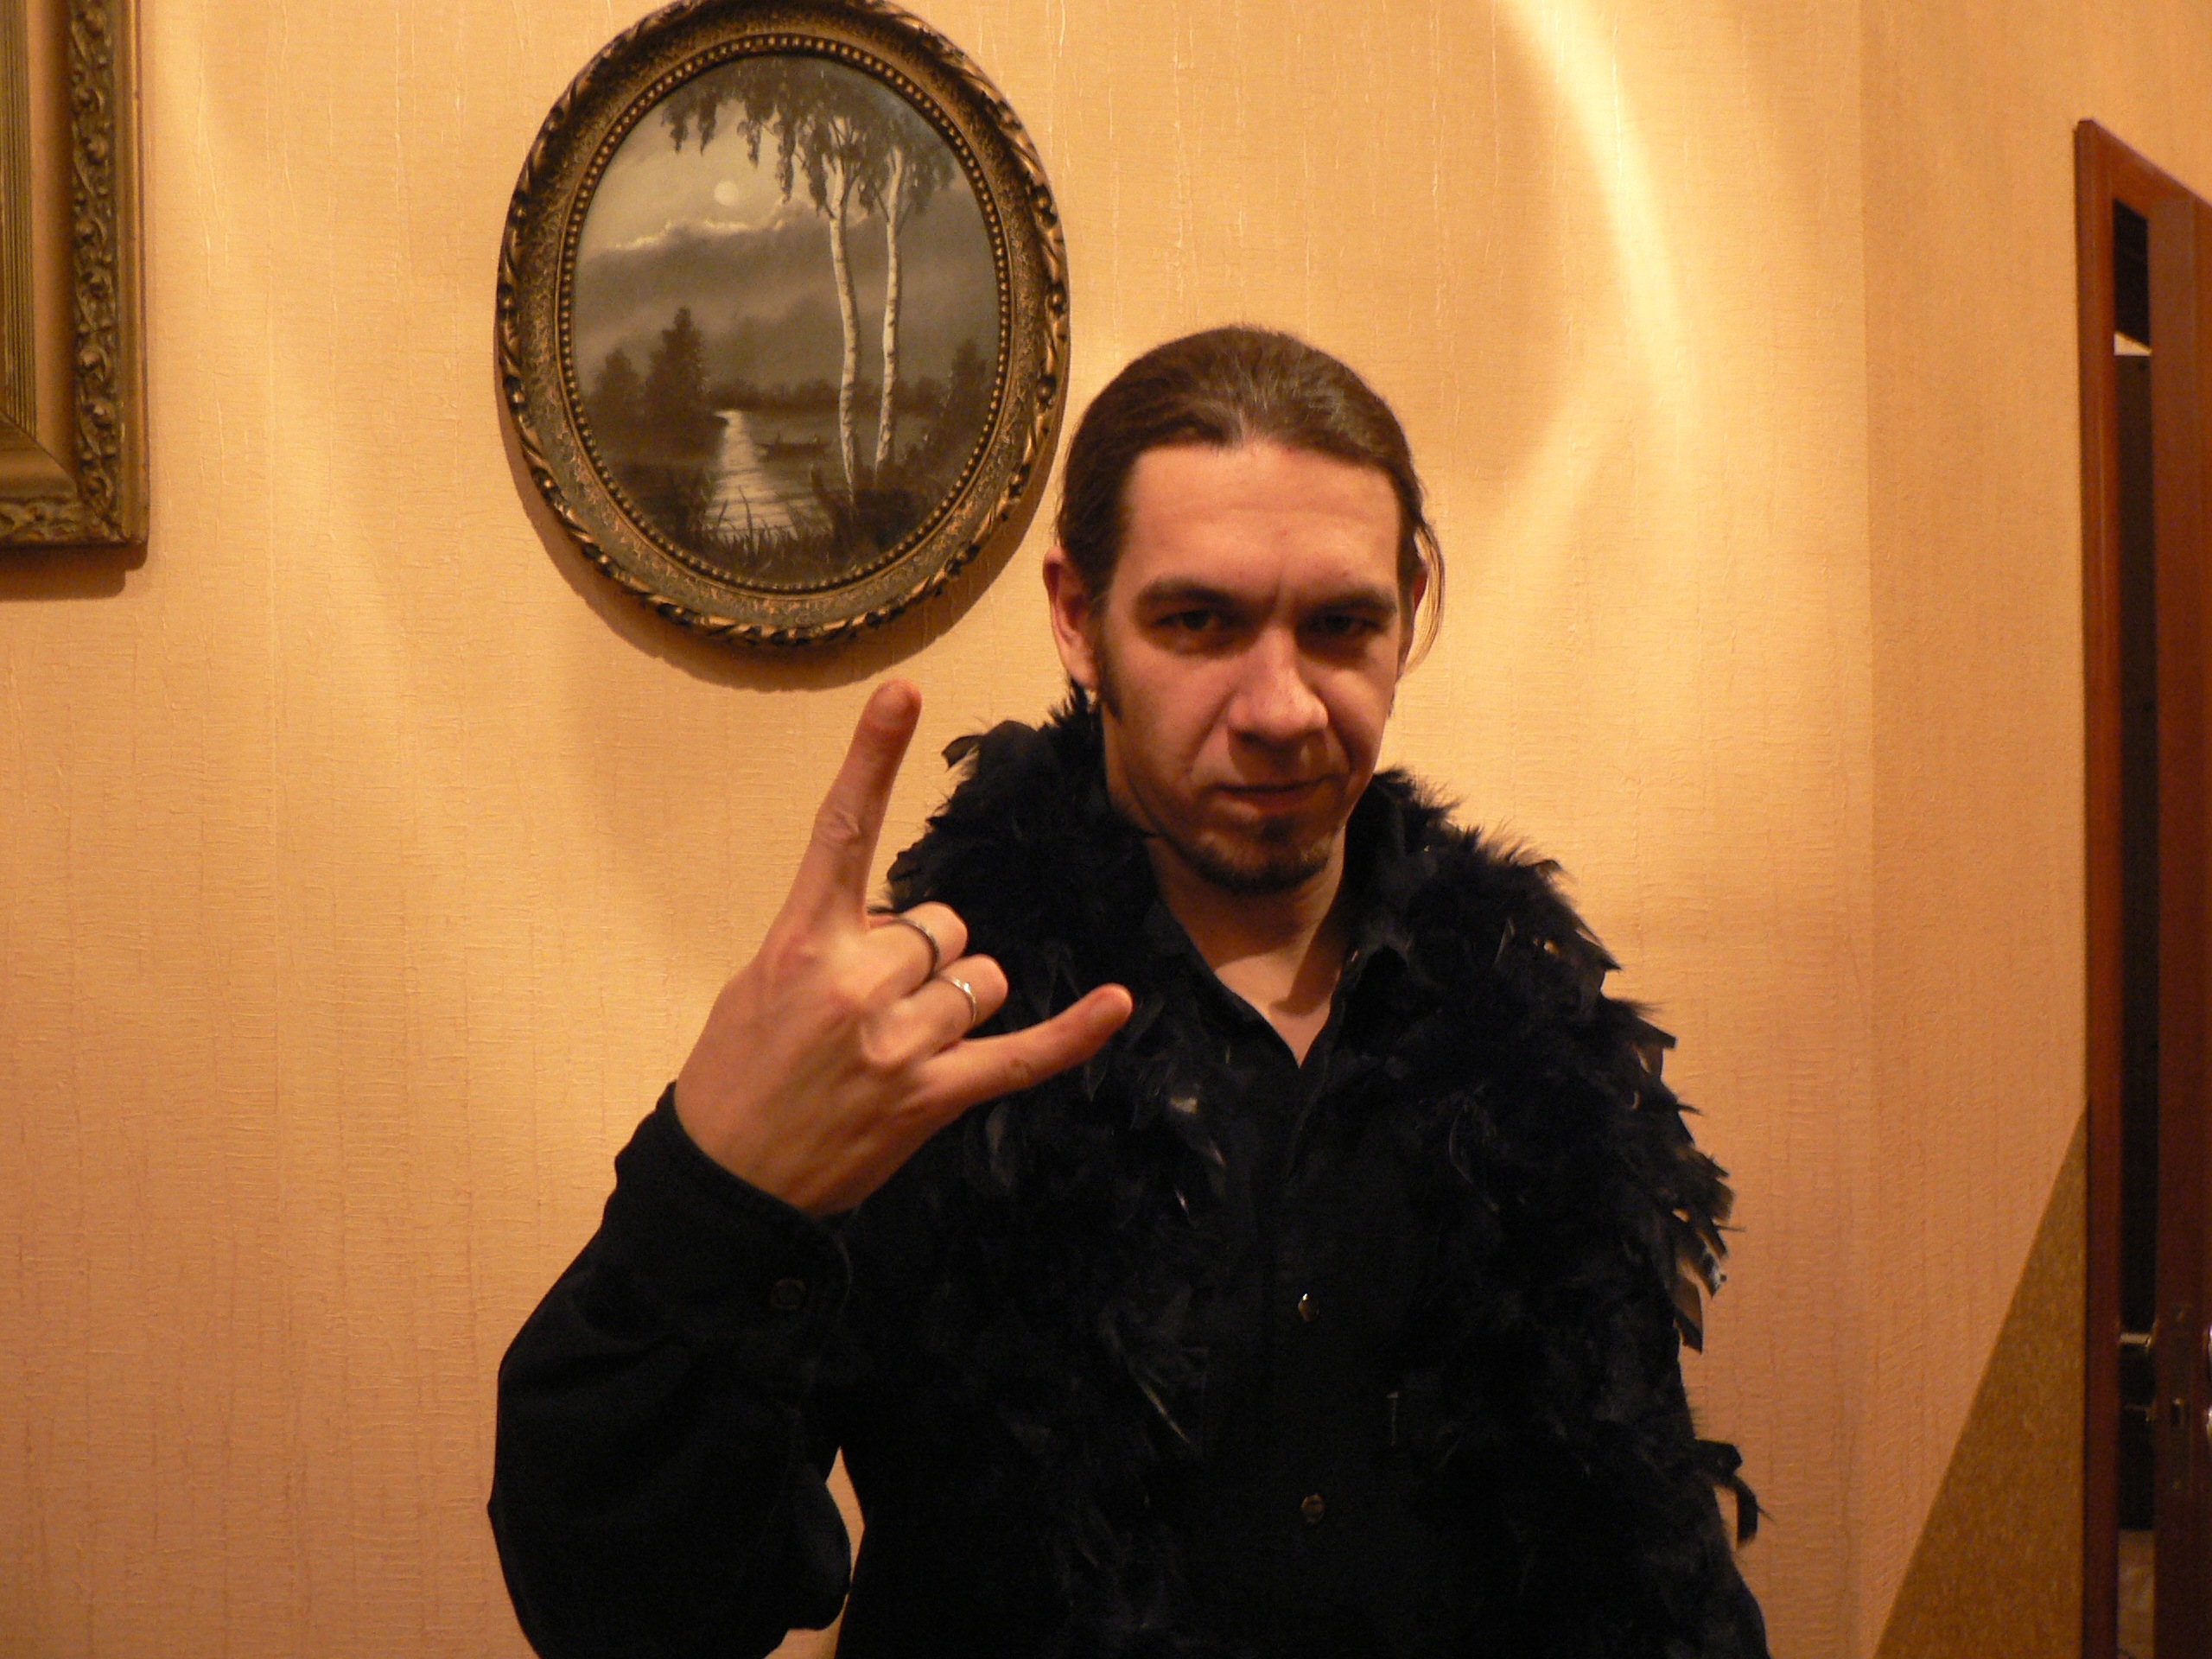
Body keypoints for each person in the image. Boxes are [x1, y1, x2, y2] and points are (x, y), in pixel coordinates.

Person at [489, 327, 1770, 1658]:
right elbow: (627, 1617)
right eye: (1198, 622)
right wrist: (716, 1195)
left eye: (1341, 625)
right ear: (1075, 616)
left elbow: (1647, 1563)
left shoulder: (1529, 1022)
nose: (1281, 707)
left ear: (1410, 607)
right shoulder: (916, 1037)